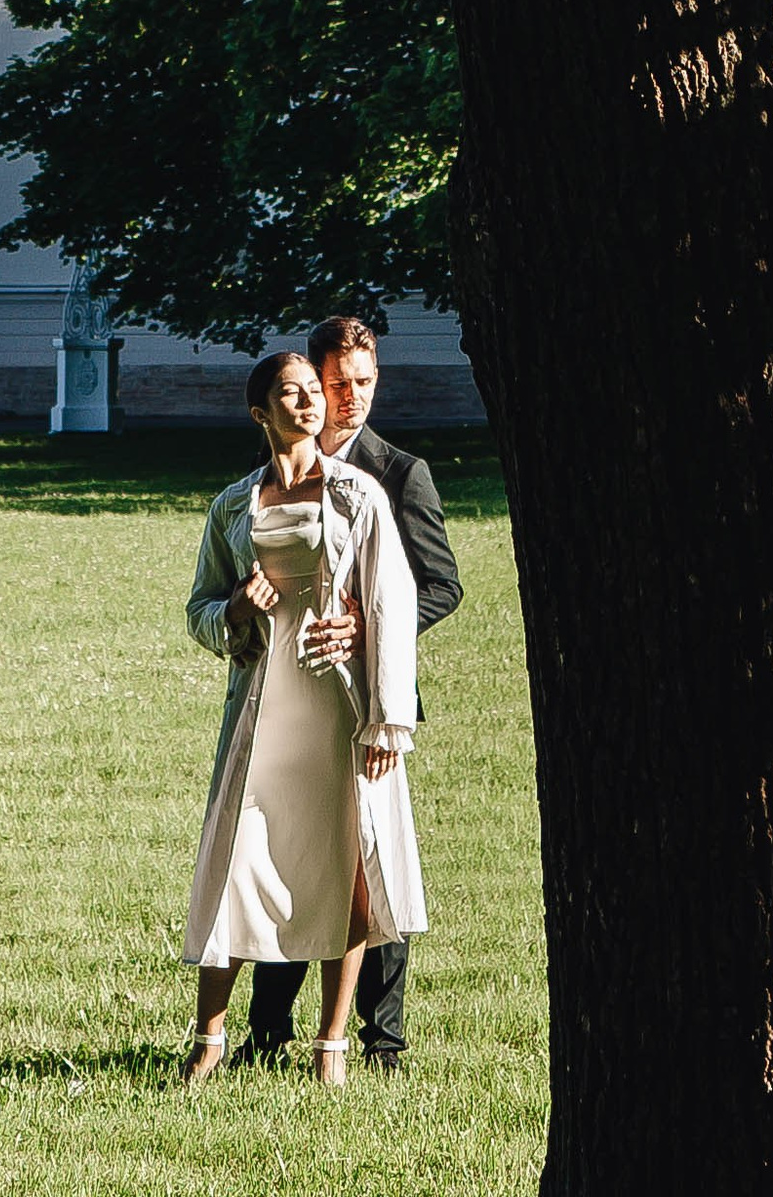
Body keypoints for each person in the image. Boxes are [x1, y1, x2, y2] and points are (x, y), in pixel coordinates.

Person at [181, 348, 426, 1087]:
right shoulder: (232, 505)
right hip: (262, 709)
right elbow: (198, 608)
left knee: (343, 869)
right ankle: (207, 1041)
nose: (310, 402)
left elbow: (391, 603)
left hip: (337, 706)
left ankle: (331, 1048)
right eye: (290, 394)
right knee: (236, 866)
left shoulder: (360, 496)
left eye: (311, 392)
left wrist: (386, 722)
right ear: (262, 413)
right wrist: (232, 611)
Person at [240, 311, 461, 1071]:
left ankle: (382, 1041)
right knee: (286, 857)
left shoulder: (400, 474)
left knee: (373, 863)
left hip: (372, 699)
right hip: (290, 697)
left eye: (365, 382)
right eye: (339, 383)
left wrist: (368, 628)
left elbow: (440, 586)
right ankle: (268, 1033)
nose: (353, 397)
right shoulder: (275, 473)